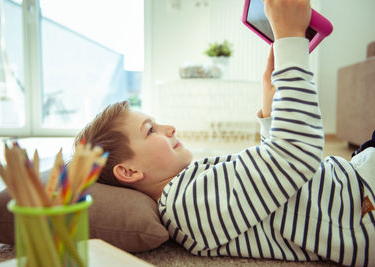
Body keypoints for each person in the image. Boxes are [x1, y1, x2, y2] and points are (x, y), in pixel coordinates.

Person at [74, 0, 375, 265]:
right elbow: (296, 157)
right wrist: (290, 41)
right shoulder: (186, 205)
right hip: (364, 202)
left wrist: (270, 110)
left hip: (354, 175)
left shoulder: (189, 187)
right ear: (129, 171)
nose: (170, 128)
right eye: (151, 130)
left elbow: (280, 181)